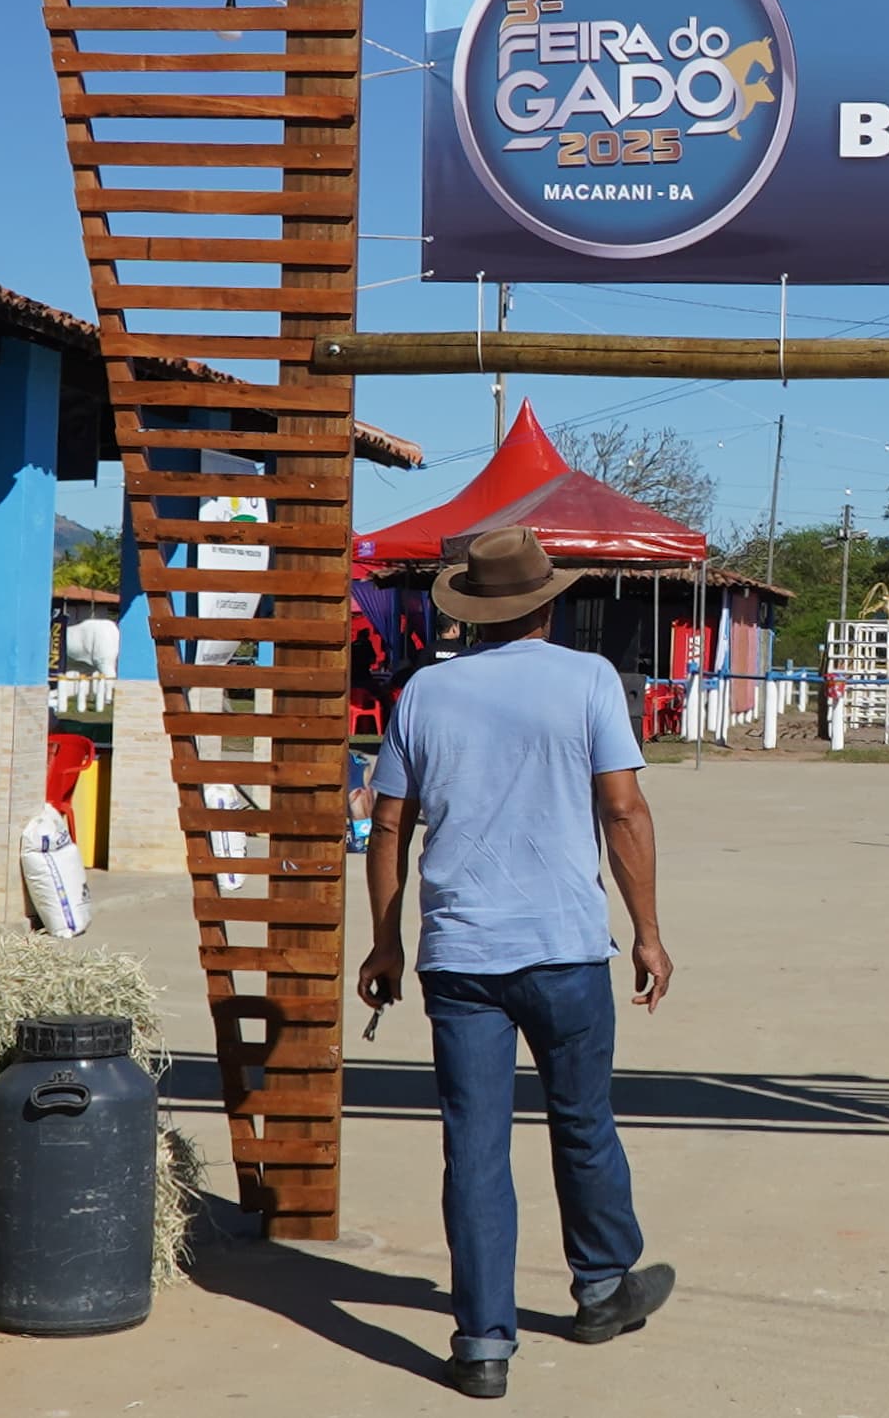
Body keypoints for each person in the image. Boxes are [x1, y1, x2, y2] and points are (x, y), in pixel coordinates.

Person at [359, 527, 678, 1400]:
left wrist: (385, 942)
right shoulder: (587, 681)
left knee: (474, 1146)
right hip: (566, 948)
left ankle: (483, 1343)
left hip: (459, 956)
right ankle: (604, 1288)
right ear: (547, 602)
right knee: (582, 1121)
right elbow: (624, 811)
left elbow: (388, 825)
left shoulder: (424, 691)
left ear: (476, 610)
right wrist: (646, 931)